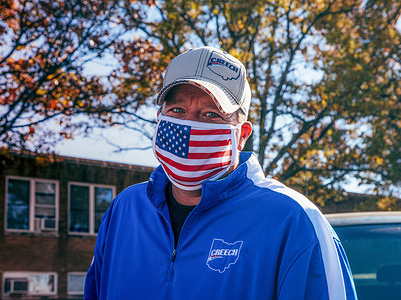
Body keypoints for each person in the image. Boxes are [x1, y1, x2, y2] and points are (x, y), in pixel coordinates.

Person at [84, 46, 357, 299]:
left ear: (242, 135)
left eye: (211, 115)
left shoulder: (294, 220)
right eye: (177, 110)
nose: (189, 126)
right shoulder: (124, 209)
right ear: (160, 120)